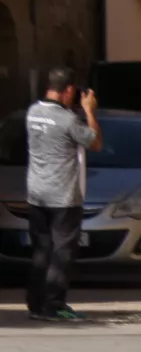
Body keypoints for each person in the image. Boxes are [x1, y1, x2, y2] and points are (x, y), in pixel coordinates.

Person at [25, 68, 102, 322]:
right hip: (63, 197)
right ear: (68, 90)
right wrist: (89, 110)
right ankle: (54, 305)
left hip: (37, 194)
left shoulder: (32, 113)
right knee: (62, 253)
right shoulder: (68, 120)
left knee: (41, 250)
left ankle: (36, 304)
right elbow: (95, 142)